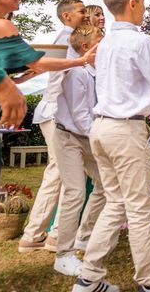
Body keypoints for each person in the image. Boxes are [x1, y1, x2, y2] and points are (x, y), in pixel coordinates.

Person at [0, 0, 95, 292]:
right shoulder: (0, 25)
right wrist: (81, 61)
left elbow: (20, 68)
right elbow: (39, 63)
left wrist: (13, 83)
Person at [73, 0, 150, 292]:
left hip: (101, 129)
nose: (145, 7)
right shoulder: (141, 41)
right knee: (139, 207)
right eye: (143, 1)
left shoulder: (104, 43)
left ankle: (88, 278)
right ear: (133, 3)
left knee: (115, 203)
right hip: (125, 130)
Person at [19, 0, 87, 253]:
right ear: (67, 16)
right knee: (62, 173)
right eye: (81, 11)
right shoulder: (65, 40)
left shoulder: (69, 40)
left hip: (59, 113)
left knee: (60, 173)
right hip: (56, 113)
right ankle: (48, 235)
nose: (85, 14)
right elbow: (61, 77)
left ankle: (40, 234)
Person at [52, 25, 106, 277]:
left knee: (106, 185)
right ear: (86, 47)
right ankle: (63, 254)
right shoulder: (75, 72)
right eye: (100, 41)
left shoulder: (95, 71)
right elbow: (80, 115)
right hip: (68, 136)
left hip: (87, 135)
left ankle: (84, 237)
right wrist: (103, 139)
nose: (105, 44)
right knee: (74, 191)